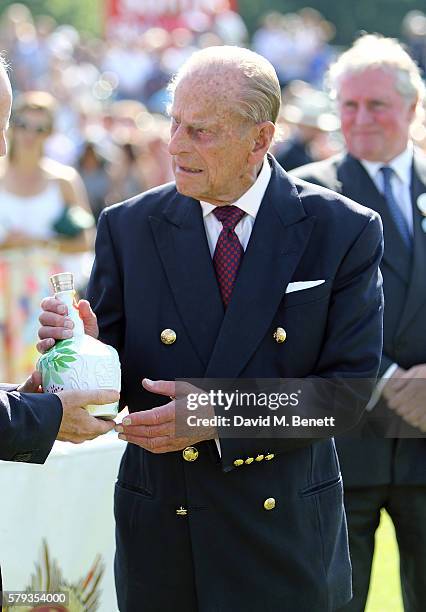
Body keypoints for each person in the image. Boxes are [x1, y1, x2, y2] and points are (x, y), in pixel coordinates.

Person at [38, 46, 384, 611]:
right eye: (174, 121)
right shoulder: (128, 227)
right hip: (166, 538)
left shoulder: (341, 230)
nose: (175, 144)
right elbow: (115, 393)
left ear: (260, 139)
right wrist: (79, 352)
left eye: (200, 131)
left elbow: (344, 398)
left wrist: (217, 415)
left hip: (285, 538)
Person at [292, 34, 426, 612]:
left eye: (376, 104)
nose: (360, 118)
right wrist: (391, 376)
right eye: (348, 104)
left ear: (412, 109)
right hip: (344, 446)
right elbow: (296, 319)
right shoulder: (304, 194)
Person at [0, 54, 119, 598]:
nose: (11, 141)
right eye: (10, 124)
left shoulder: (63, 178)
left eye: (10, 126)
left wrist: (21, 402)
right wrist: (38, 415)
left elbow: (83, 239)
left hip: (42, 287)